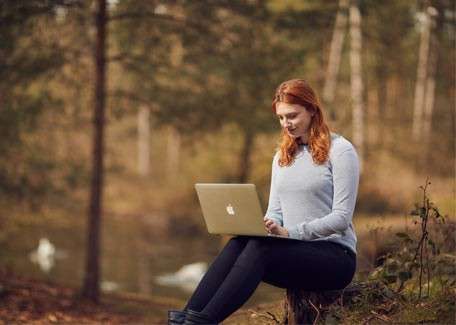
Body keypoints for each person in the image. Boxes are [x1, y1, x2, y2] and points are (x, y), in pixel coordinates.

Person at [168, 79, 360, 325]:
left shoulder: (341, 151)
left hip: (335, 257)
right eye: (281, 118)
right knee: (240, 242)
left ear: (312, 110)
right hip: (294, 251)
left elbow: (342, 217)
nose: (286, 124)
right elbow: (275, 211)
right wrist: (267, 226)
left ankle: (203, 322)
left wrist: (291, 232)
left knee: (262, 248)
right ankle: (187, 317)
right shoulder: (282, 156)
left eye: (292, 116)